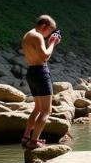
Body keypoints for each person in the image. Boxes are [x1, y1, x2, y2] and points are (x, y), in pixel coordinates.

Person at [20, 15, 61, 150]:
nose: (49, 34)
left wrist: (49, 41)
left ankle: (26, 137)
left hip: (31, 72)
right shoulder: (37, 36)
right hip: (40, 73)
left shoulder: (28, 35)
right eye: (50, 30)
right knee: (46, 111)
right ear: (44, 25)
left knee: (37, 108)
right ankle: (34, 141)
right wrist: (52, 43)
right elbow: (44, 57)